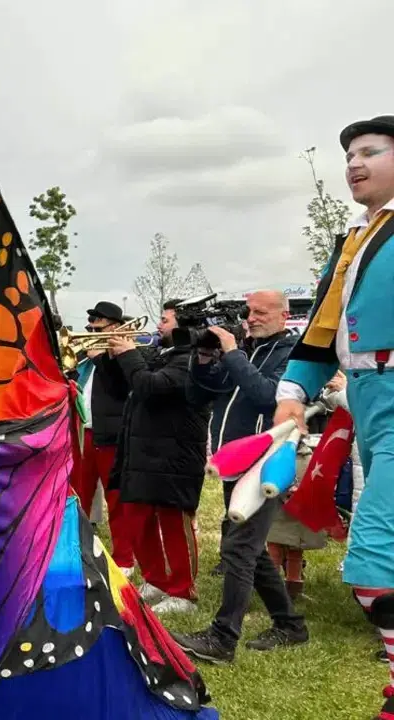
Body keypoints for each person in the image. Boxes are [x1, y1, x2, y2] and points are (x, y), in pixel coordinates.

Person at [274, 115, 394, 719]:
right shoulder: (353, 240)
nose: (354, 163)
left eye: (371, 151)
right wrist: (293, 391)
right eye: (348, 155)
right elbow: (323, 328)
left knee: (374, 554)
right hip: (368, 395)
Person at [173, 290, 307, 663]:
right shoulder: (247, 350)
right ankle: (290, 625)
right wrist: (203, 358)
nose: (252, 318)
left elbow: (267, 396)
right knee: (251, 548)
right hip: (235, 462)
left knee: (238, 548)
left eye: (261, 312)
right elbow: (198, 395)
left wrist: (233, 353)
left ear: (284, 315)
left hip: (267, 463)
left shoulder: (292, 355)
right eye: (249, 312)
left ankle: (223, 637)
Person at [104, 300, 210, 615]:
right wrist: (111, 358)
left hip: (175, 456)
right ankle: (155, 579)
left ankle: (183, 592)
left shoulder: (193, 359)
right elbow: (124, 386)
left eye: (165, 320)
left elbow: (152, 386)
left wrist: (129, 354)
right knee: (138, 519)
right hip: (144, 451)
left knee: (174, 525)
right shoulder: (166, 354)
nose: (158, 325)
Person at [76, 301, 134, 573]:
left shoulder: (121, 355)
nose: (91, 332)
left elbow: (119, 388)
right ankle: (77, 548)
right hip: (84, 433)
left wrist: (101, 357)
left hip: (111, 436)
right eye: (89, 328)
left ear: (115, 327)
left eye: (97, 328)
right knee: (79, 496)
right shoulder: (86, 361)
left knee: (116, 500)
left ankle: (124, 559)